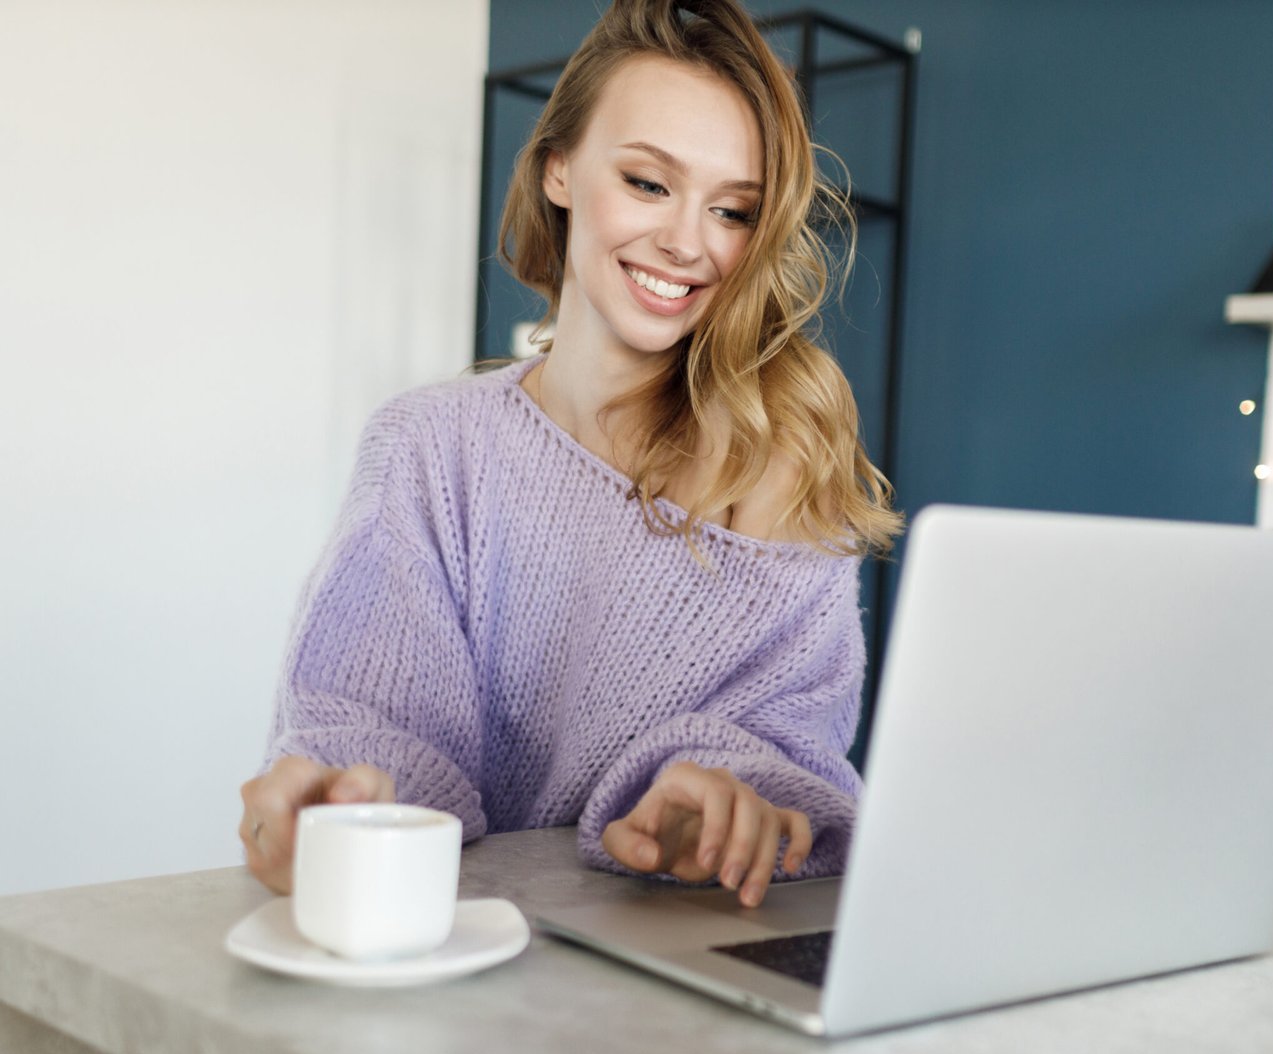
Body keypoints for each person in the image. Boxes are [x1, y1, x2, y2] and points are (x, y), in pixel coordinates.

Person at [237, 0, 900, 909]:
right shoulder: (431, 446)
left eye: (733, 209)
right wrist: (334, 804)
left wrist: (713, 807)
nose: (687, 241)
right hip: (458, 962)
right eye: (647, 182)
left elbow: (788, 739)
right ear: (559, 168)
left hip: (686, 963)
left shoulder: (781, 456)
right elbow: (375, 729)